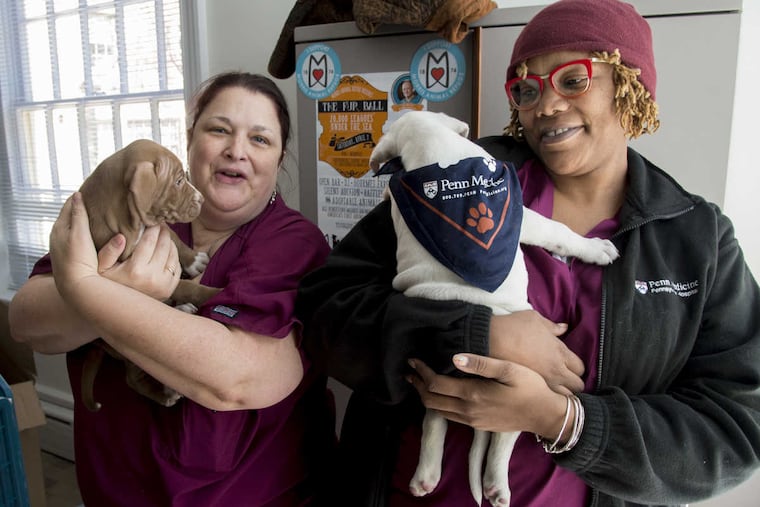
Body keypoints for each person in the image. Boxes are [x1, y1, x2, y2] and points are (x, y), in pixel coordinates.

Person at [295, 0, 760, 506]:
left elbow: (734, 429)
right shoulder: (459, 178)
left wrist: (561, 420)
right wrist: (475, 334)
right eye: (527, 89)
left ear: (630, 85)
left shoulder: (695, 238)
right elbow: (326, 311)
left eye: (574, 80)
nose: (547, 105)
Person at [9, 72, 334, 506]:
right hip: (114, 486)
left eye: (260, 139)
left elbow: (237, 378)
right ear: (190, 139)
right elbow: (26, 322)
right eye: (219, 129)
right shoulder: (136, 208)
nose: (236, 150)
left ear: (280, 159)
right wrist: (122, 287)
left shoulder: (292, 242)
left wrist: (90, 287)